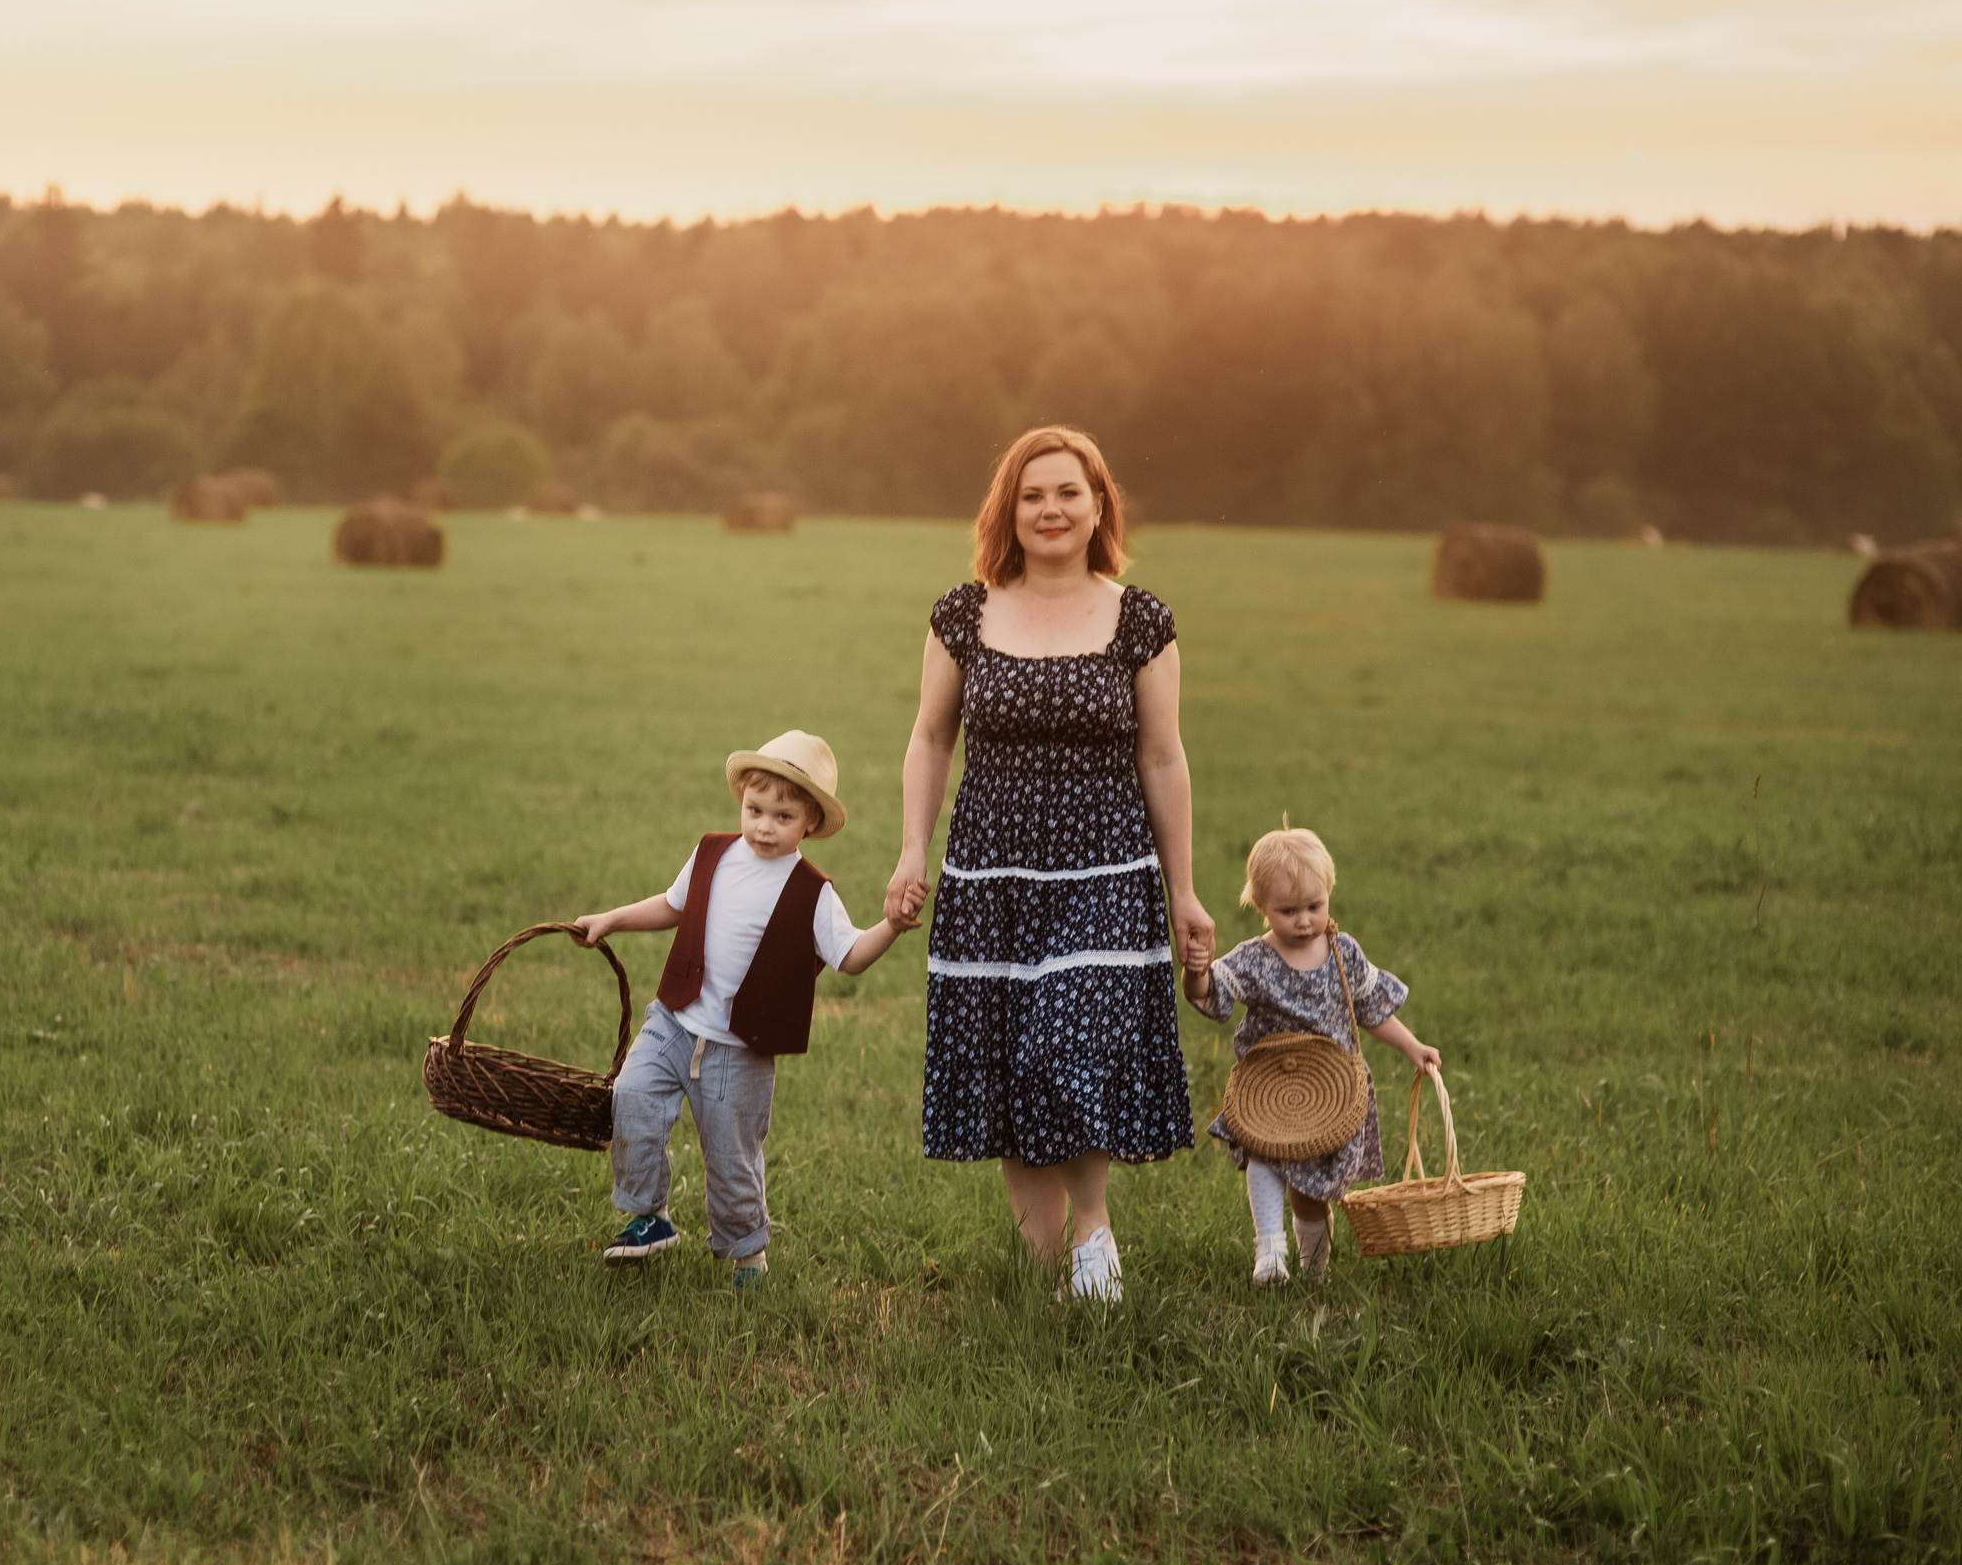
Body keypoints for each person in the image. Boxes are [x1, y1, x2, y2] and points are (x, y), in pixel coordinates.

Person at [886, 426, 1214, 1303]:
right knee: (1001, 1063)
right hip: (988, 877)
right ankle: (1041, 1273)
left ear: (1098, 503)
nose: (1051, 509)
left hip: (1106, 872)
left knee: (1064, 1044)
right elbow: (928, 740)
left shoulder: (1141, 620)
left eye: (1068, 492)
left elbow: (1163, 759)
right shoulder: (964, 612)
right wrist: (914, 848)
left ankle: (1095, 1233)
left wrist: (1184, 893)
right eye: (1032, 495)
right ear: (1009, 510)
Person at [578, 731, 916, 1290]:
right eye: (754, 809)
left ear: (809, 822)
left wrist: (893, 927)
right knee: (630, 1097)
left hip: (740, 1050)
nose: (762, 825)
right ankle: (648, 1217)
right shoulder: (713, 852)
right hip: (675, 1021)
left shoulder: (812, 893)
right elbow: (670, 904)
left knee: (732, 1157)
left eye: (782, 816)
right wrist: (609, 918)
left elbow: (851, 957)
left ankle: (746, 1253)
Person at [1181, 826, 1440, 1285]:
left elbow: (1371, 1009)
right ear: (1260, 907)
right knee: (1263, 1159)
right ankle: (1270, 1251)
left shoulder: (1343, 953)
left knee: (1309, 1188)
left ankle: (1312, 1272)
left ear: (1329, 895)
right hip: (1272, 1089)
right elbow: (1211, 997)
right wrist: (1196, 973)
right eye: (1288, 910)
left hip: (1329, 1094)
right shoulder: (1254, 959)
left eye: (1314, 907)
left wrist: (1412, 1046)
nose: (1303, 920)